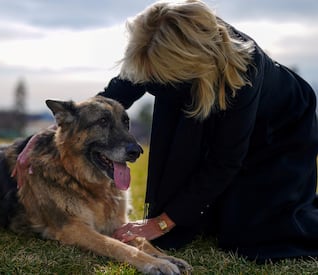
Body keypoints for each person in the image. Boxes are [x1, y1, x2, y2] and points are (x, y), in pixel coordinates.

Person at [99, 0, 318, 262]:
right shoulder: (152, 41)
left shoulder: (243, 72)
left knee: (256, 234)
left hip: (282, 124)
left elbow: (223, 161)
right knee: (208, 218)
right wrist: (66, 125)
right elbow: (119, 92)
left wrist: (161, 223)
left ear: (188, 65)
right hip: (222, 105)